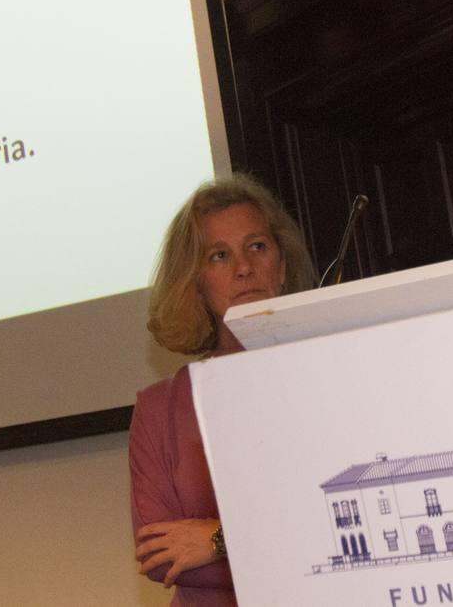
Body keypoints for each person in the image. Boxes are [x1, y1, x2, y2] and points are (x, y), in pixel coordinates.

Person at [129, 174, 315, 605]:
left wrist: (214, 540)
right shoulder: (160, 407)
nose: (243, 267)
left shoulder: (323, 380)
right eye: (219, 255)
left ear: (282, 266)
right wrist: (273, 537)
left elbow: (336, 526)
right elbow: (162, 556)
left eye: (257, 247)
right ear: (195, 284)